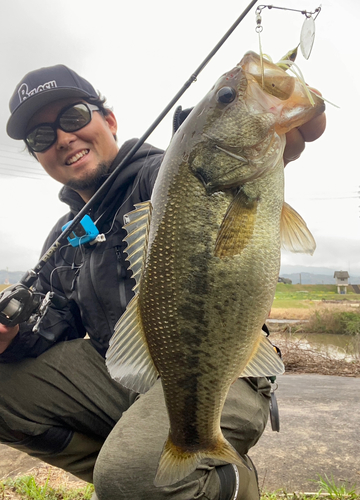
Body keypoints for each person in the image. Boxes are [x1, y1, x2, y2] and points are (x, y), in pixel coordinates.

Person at [0, 64, 326, 500]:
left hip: (222, 367)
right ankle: (142, 472)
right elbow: (51, 324)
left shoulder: (164, 177)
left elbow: (194, 154)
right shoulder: (64, 237)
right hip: (123, 374)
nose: (61, 137)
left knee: (134, 476)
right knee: (126, 474)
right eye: (41, 137)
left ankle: (216, 478)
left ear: (109, 121)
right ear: (38, 155)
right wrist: (12, 334)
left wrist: (252, 115)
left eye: (74, 117)